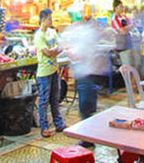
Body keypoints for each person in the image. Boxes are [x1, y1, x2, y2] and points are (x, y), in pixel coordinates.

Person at [63, 17, 110, 147]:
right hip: (89, 74)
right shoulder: (89, 34)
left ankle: (88, 138)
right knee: (87, 107)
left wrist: (71, 53)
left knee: (85, 107)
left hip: (86, 74)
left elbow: (80, 53)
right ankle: (89, 136)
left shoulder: (85, 35)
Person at [34, 8, 64, 138]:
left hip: (54, 70)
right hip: (44, 72)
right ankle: (44, 127)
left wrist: (54, 51)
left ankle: (59, 123)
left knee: (55, 99)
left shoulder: (52, 32)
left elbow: (60, 46)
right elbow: (47, 52)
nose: (51, 21)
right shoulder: (39, 35)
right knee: (44, 100)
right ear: (43, 20)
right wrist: (55, 51)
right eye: (49, 19)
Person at [110, 0, 134, 67]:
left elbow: (129, 26)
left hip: (128, 44)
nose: (122, 8)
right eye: (121, 7)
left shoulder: (123, 17)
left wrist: (127, 28)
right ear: (116, 8)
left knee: (133, 65)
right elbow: (123, 31)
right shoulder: (114, 19)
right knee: (127, 67)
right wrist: (128, 28)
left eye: (122, 6)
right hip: (122, 47)